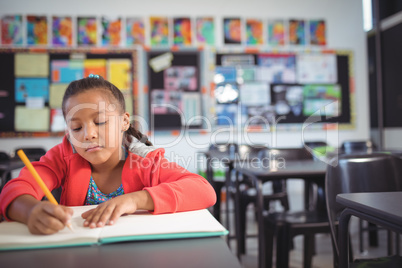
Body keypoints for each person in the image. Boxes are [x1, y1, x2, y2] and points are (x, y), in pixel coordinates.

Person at [0, 75, 216, 235]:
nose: (89, 134)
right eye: (76, 128)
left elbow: (204, 190)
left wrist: (135, 200)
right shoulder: (62, 157)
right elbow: (14, 189)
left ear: (124, 121)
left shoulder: (146, 160)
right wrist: (30, 212)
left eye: (100, 121)